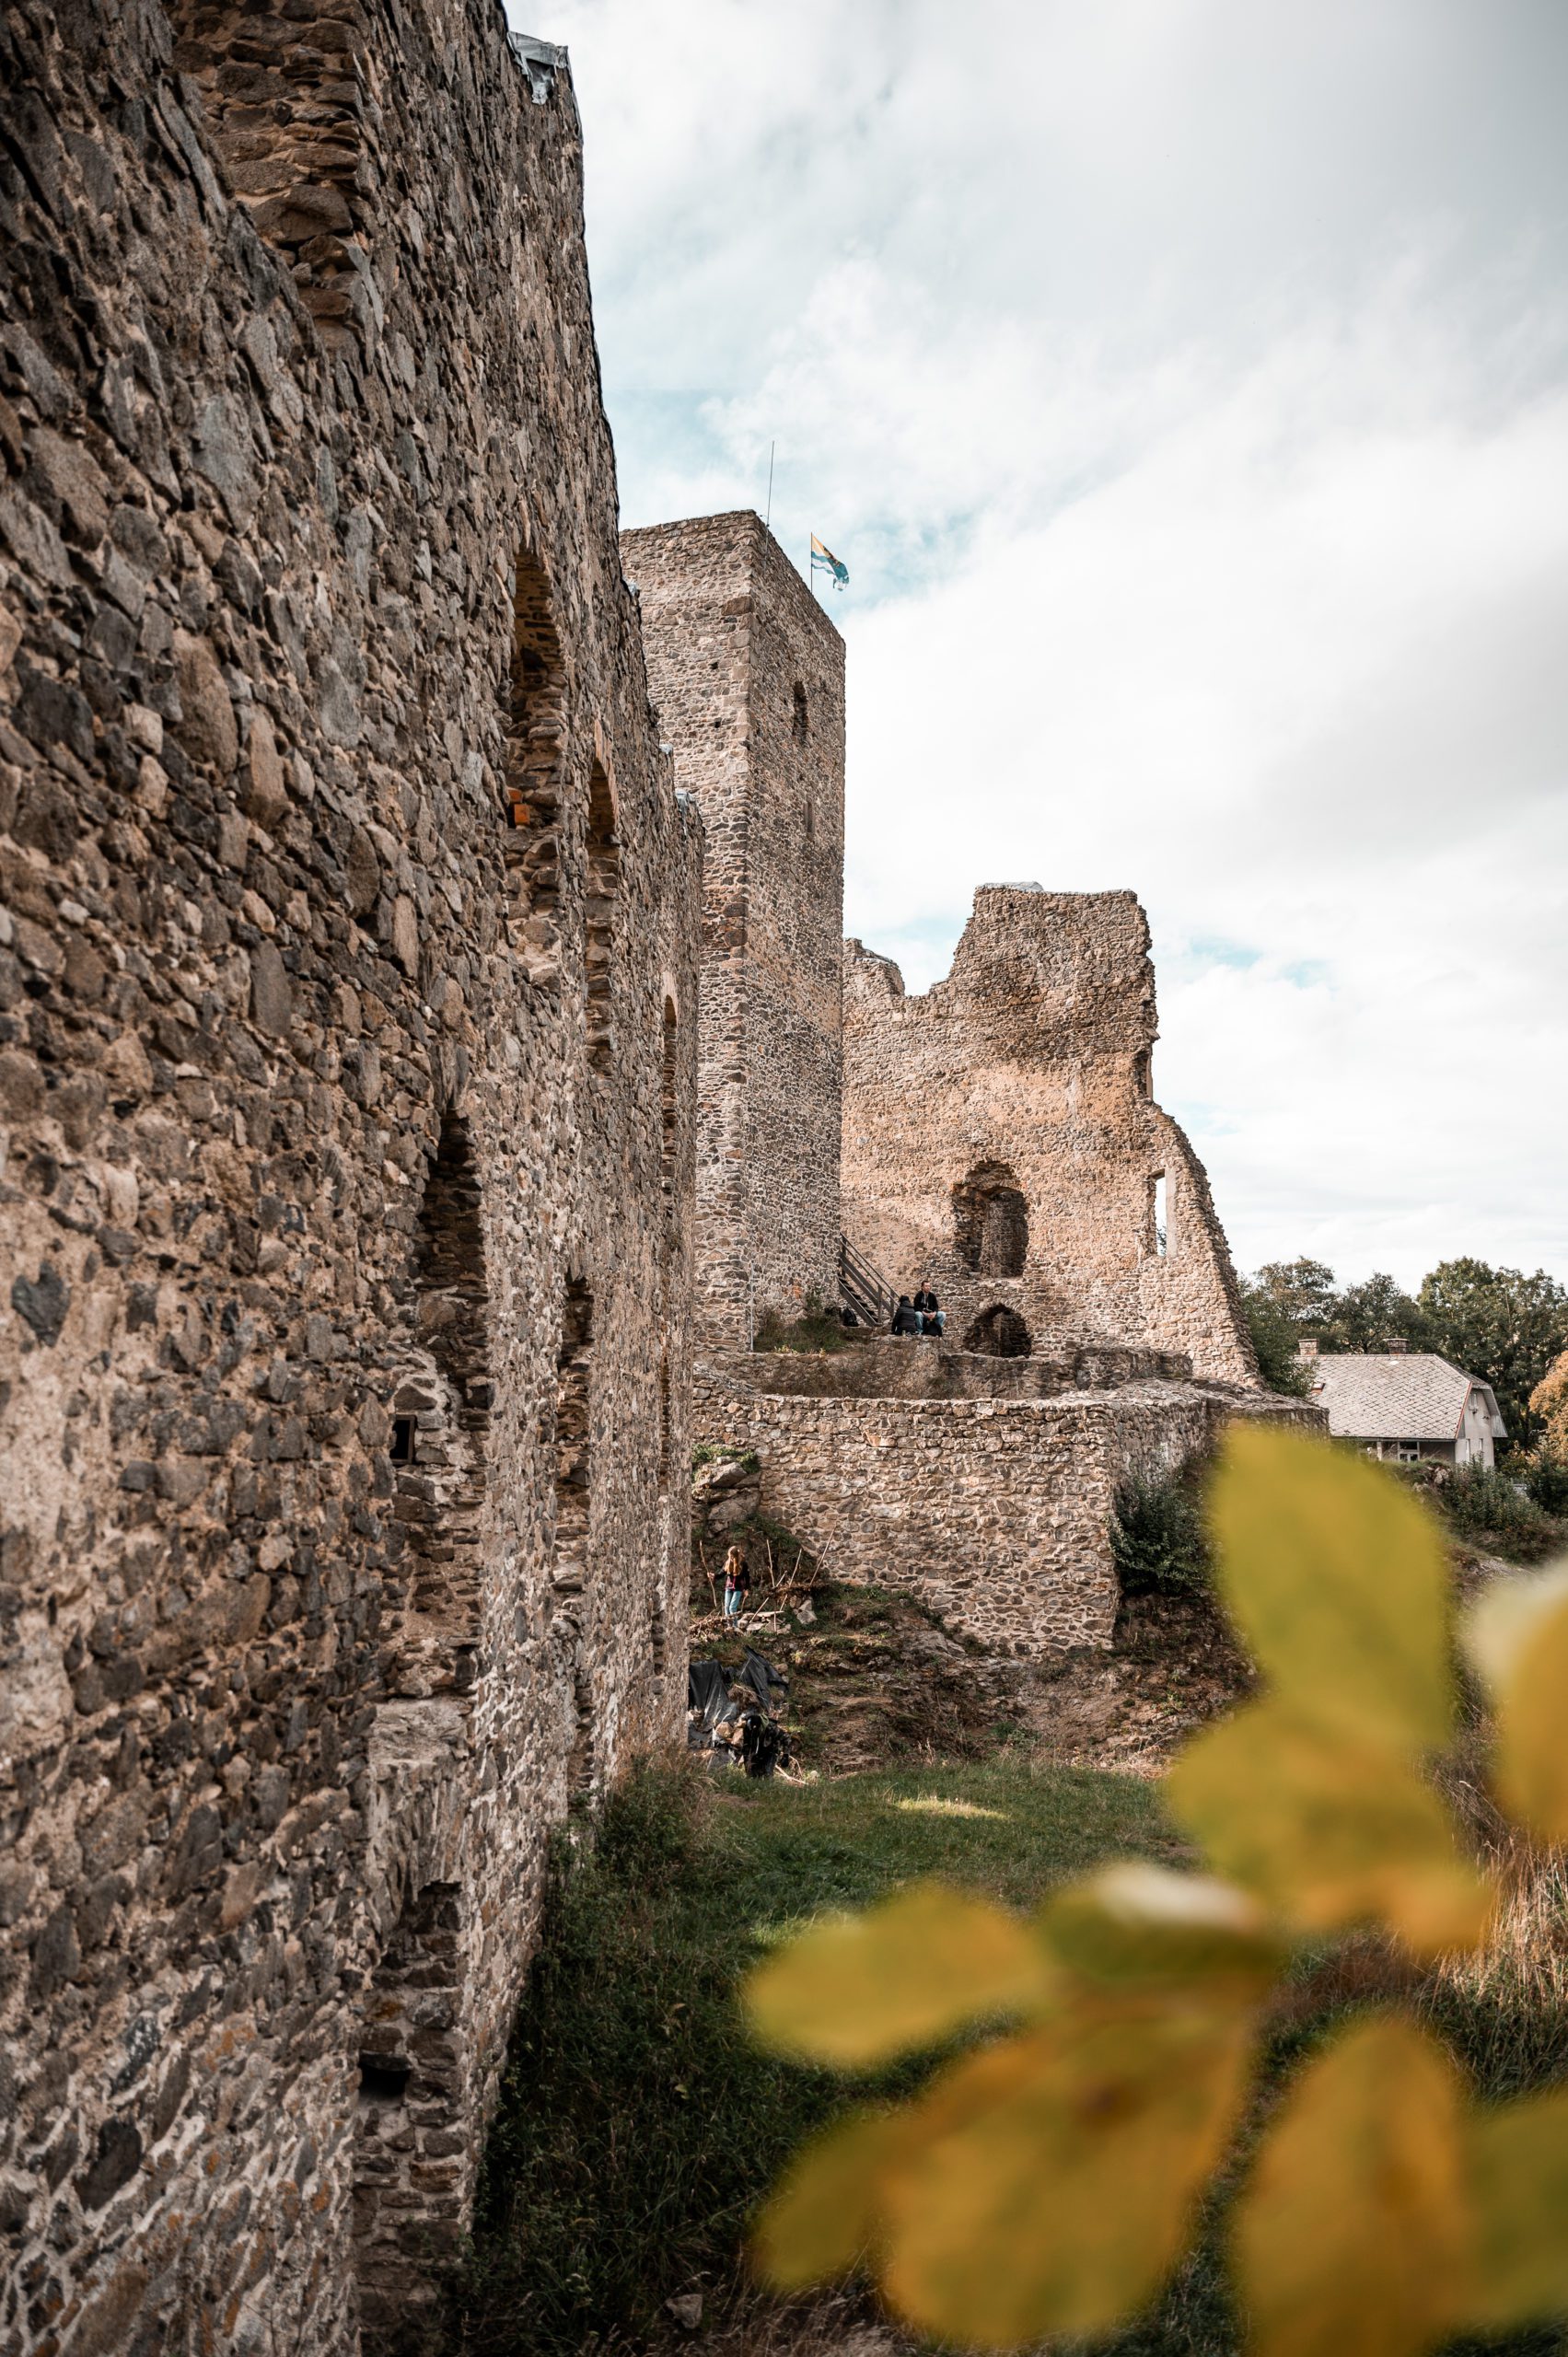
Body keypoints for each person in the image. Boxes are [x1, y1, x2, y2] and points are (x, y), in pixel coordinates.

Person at [722, 1545, 751, 1620]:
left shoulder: (743, 1564)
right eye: (729, 1556)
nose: (730, 1558)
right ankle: (729, 1626)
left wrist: (746, 1589)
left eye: (732, 1556)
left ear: (736, 1556)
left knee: (732, 1608)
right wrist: (714, 1576)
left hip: (738, 1588)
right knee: (727, 1607)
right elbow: (722, 1573)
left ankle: (735, 1626)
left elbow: (747, 1577)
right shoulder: (728, 1562)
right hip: (729, 1587)